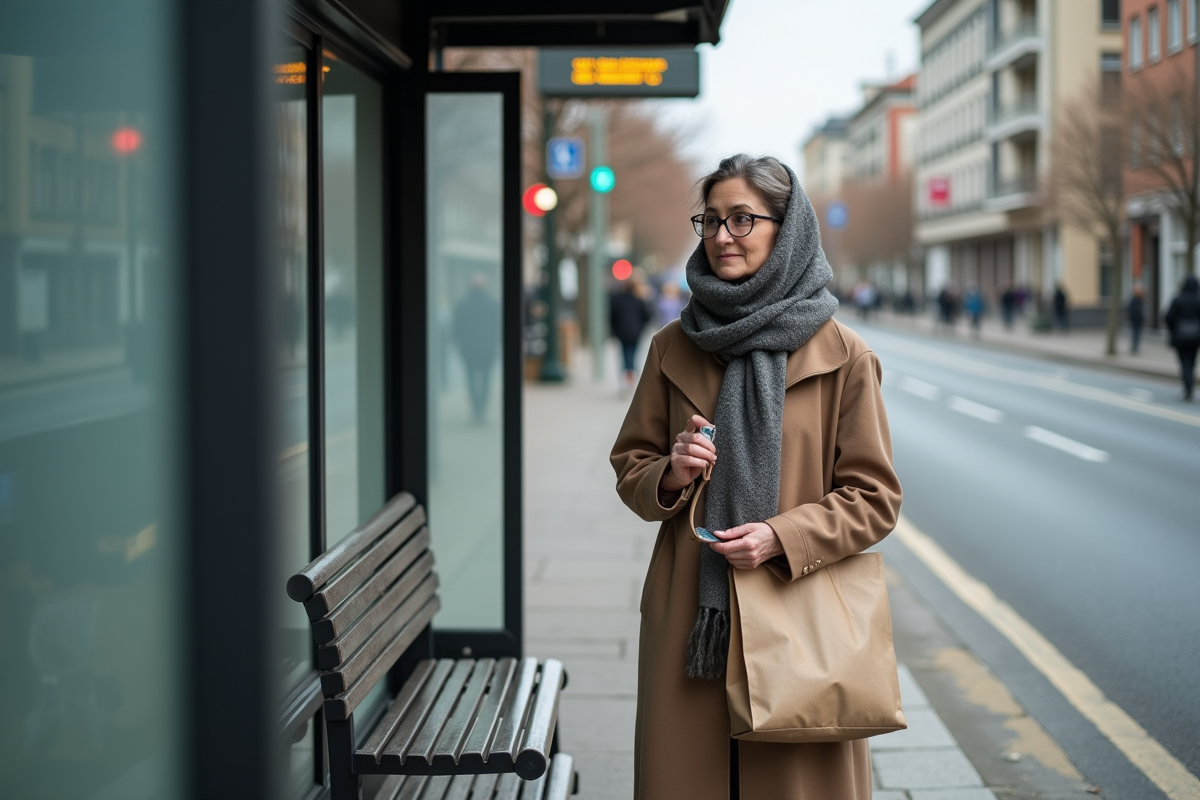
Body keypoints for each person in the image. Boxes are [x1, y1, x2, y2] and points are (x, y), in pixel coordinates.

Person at [609, 155, 902, 800]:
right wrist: (669, 472)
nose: (721, 236)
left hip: (797, 609)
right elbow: (630, 463)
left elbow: (875, 500)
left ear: (786, 229)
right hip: (692, 612)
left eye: (742, 218)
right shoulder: (672, 346)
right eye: (710, 220)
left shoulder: (845, 356)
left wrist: (780, 537)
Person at [452, 274, 500, 423]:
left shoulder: (463, 304)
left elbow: (456, 328)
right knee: (485, 379)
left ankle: (476, 409)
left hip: (469, 349)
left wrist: (458, 344)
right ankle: (481, 408)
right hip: (487, 349)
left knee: (471, 379)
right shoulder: (492, 304)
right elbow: (498, 327)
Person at [609, 276, 652, 390]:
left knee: (624, 354)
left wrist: (614, 331)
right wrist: (641, 327)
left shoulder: (617, 300)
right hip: (636, 332)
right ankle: (631, 376)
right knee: (633, 354)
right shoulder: (639, 300)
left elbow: (612, 317)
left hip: (621, 332)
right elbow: (647, 316)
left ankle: (626, 377)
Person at [1165, 275, 1200, 400]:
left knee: (1184, 362)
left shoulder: (1178, 299)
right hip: (1196, 337)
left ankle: (1188, 387)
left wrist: (1174, 329)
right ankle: (1190, 387)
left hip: (1181, 337)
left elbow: (1168, 317)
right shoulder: (1198, 299)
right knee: (1192, 362)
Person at [1127, 283, 1146, 355]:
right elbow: (1132, 311)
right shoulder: (1134, 300)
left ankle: (1135, 347)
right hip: (1135, 320)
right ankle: (1134, 347)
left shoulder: (1140, 300)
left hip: (1138, 320)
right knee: (1135, 334)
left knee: (1137, 334)